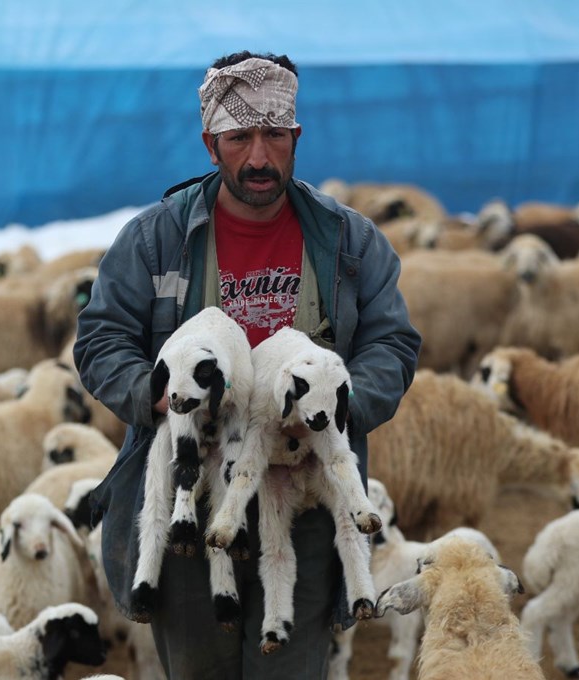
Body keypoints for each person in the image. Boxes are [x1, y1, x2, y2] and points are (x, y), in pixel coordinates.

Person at [74, 50, 420, 679]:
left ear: (296, 137)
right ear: (211, 144)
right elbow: (100, 338)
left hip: (304, 503)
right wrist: (161, 395)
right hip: (194, 502)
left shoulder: (349, 242)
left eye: (275, 135)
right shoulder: (155, 239)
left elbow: (392, 345)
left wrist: (330, 412)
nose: (259, 157)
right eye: (240, 138)